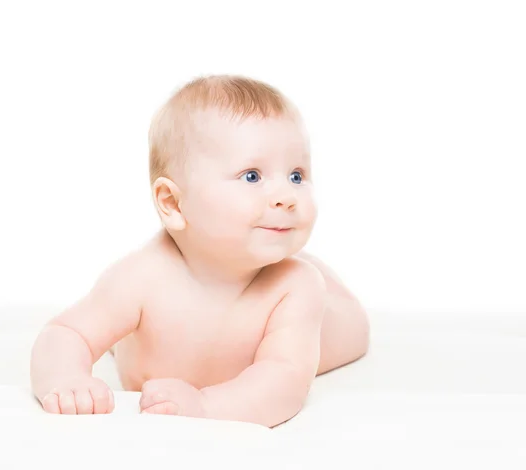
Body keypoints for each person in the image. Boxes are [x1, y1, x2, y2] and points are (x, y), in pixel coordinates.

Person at [30, 74, 370, 428]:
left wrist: (207, 406)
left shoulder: (295, 287)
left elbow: (284, 381)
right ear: (173, 203)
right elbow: (66, 333)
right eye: (252, 175)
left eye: (297, 175)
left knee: (351, 325)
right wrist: (64, 379)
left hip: (327, 321)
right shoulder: (141, 277)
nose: (286, 195)